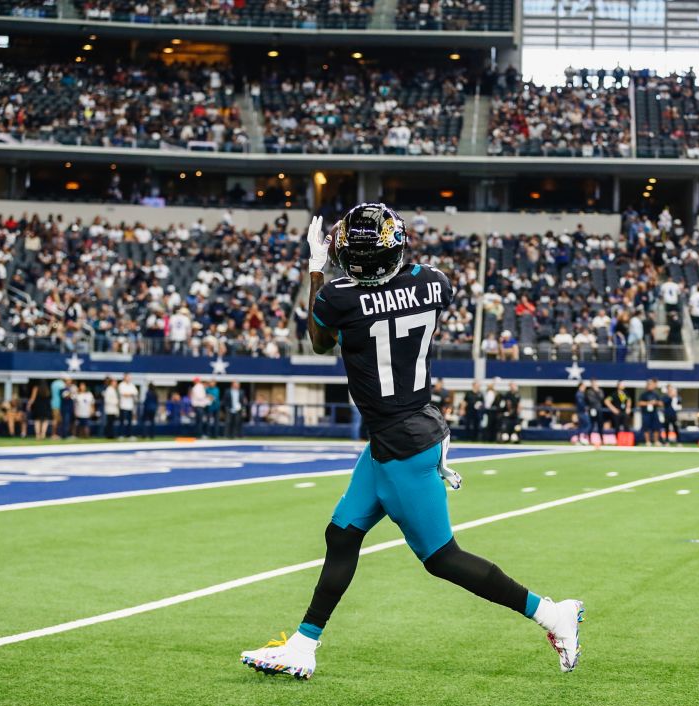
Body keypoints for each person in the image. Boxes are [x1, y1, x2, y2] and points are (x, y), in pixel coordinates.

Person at [240, 205, 583, 680]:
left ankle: (551, 613)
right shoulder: (433, 281)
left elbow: (319, 341)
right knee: (342, 534)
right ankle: (304, 643)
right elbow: (398, 279)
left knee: (442, 557)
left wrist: (317, 269)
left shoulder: (338, 295)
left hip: (403, 445)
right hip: (403, 430)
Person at [585, 379, 605, 445]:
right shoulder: (589, 391)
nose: (594, 384)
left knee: (600, 425)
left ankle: (602, 440)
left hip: (599, 409)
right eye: (593, 383)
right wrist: (596, 393)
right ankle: (589, 439)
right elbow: (591, 400)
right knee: (592, 424)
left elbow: (602, 398)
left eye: (595, 382)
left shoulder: (599, 390)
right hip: (593, 409)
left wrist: (597, 391)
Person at [574, 381, 590, 445]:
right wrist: (585, 408)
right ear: (580, 386)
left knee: (581, 426)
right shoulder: (579, 394)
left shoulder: (581, 393)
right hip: (582, 412)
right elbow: (581, 403)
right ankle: (582, 438)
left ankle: (579, 439)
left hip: (581, 412)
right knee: (587, 424)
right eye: (583, 386)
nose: (585, 388)